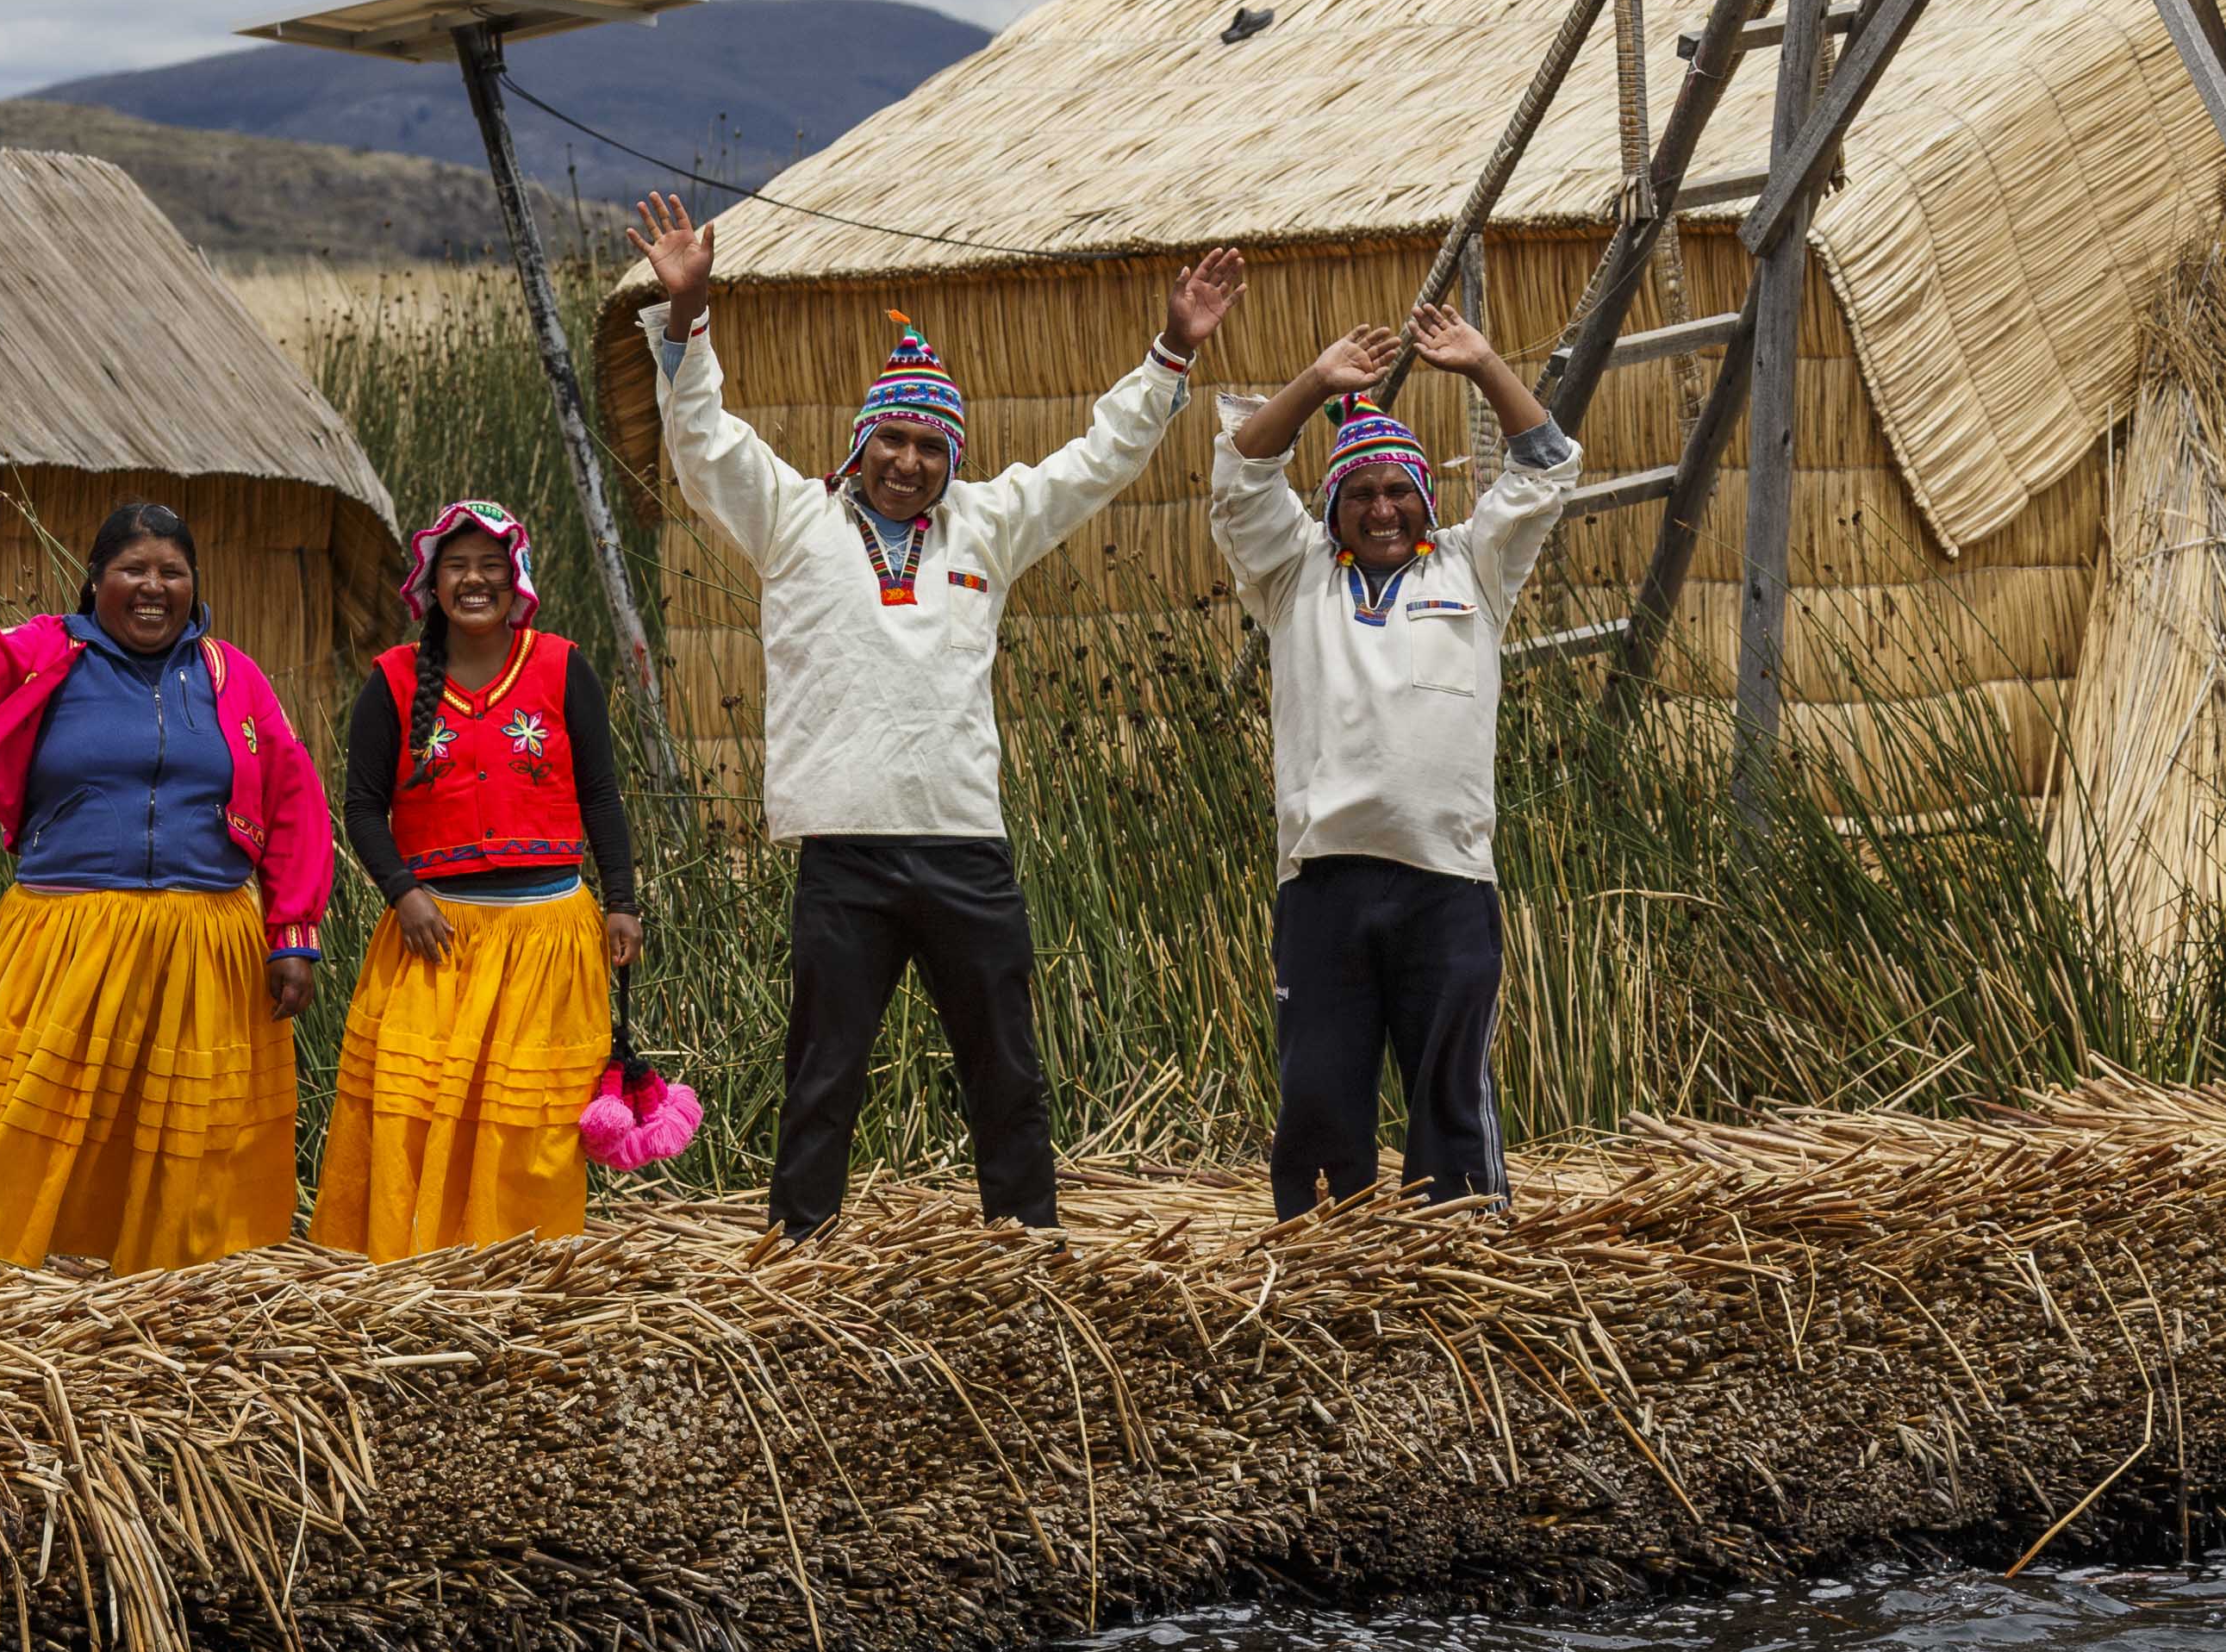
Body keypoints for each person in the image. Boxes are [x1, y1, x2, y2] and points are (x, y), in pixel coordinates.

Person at [627, 194, 1244, 1237]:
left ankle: (1026, 1248)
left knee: (1003, 1065)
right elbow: (702, 442)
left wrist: (1171, 351)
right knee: (823, 1069)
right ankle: (800, 1251)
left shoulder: (985, 524)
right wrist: (687, 314)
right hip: (844, 848)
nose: (906, 461)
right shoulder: (791, 520)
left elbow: (1094, 462)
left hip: (962, 842)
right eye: (891, 439)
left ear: (949, 457)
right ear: (860, 442)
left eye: (927, 445)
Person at [0, 477, 331, 1278]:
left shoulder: (234, 676)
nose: (154, 587)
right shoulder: (50, 651)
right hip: (67, 935)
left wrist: (292, 931)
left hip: (203, 941)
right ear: (95, 580)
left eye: (172, 571)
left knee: (185, 1124)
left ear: (194, 585)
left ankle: (173, 1277)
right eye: (133, 569)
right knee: (21, 1106)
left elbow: (293, 798)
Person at [1213, 309, 1581, 1219]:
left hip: (1446, 879)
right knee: (1317, 1088)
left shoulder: (1472, 567)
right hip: (1323, 881)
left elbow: (1544, 466)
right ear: (1332, 510)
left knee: (1448, 1090)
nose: (1382, 509)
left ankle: (1458, 1246)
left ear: (1425, 499)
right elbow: (1242, 474)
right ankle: (1323, 1252)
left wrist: (1483, 364)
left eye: (1398, 492)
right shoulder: (1294, 575)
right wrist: (1316, 383)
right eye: (1361, 494)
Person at [312, 499, 643, 1260]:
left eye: (491, 566)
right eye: (457, 566)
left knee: (530, 1116)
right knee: (421, 1108)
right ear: (432, 584)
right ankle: (414, 1258)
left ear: (514, 579)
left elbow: (600, 793)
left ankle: (526, 1258)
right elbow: (361, 806)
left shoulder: (561, 666)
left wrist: (621, 900)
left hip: (546, 937)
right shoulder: (394, 680)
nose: (474, 581)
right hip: (437, 936)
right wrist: (404, 893)